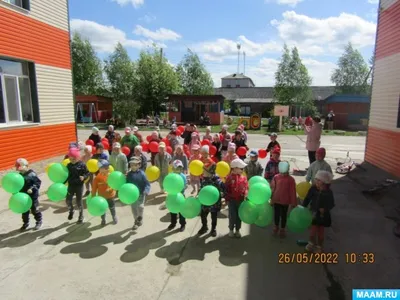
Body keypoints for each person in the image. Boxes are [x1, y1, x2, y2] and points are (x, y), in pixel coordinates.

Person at [302, 170, 335, 253]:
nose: (316, 181)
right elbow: (307, 198)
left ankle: (319, 246)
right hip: (314, 212)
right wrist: (303, 207)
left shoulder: (328, 192)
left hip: (323, 215)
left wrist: (325, 209)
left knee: (321, 231)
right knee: (313, 230)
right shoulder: (313, 189)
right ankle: (311, 244)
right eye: (316, 179)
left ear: (324, 182)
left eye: (319, 180)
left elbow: (331, 203)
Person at [270, 161, 297, 237]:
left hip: (285, 202)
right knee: (276, 215)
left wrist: (293, 203)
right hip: (276, 200)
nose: (283, 173)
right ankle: (276, 226)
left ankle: (282, 228)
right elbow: (273, 188)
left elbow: (292, 192)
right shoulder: (276, 177)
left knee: (284, 216)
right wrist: (271, 199)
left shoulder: (291, 180)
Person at [198, 160, 224, 237]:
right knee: (203, 215)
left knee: (214, 217)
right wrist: (199, 194)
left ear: (210, 172)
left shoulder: (217, 181)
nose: (202, 172)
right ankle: (204, 226)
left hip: (214, 203)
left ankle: (213, 229)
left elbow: (223, 189)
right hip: (205, 202)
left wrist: (223, 196)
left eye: (204, 171)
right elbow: (201, 189)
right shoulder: (204, 180)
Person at [15, 158, 42, 231]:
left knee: (34, 209)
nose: (20, 170)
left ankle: (39, 221)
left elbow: (38, 183)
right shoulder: (20, 176)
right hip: (23, 196)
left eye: (20, 168)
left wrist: (32, 188)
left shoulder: (32, 174)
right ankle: (25, 223)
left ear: (26, 166)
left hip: (32, 195)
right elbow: (18, 185)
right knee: (24, 210)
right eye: (19, 169)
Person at [65, 147, 90, 224]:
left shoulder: (82, 165)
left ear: (78, 157)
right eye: (71, 159)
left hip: (79, 186)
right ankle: (71, 210)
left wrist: (84, 177)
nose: (72, 160)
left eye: (74, 159)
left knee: (79, 202)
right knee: (68, 200)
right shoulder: (68, 166)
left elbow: (87, 173)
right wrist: (62, 182)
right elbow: (65, 175)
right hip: (71, 185)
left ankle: (81, 216)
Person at [225, 158, 249, 238]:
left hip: (241, 200)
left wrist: (246, 194)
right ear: (235, 168)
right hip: (232, 201)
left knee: (239, 216)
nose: (242, 169)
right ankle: (231, 229)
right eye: (241, 168)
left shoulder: (243, 178)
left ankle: (238, 230)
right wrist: (226, 199)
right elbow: (226, 189)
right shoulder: (229, 178)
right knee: (232, 215)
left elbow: (246, 187)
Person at [127, 157, 151, 230]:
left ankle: (140, 217)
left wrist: (146, 191)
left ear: (139, 165)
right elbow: (127, 184)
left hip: (141, 194)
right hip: (132, 196)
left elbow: (147, 184)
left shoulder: (142, 174)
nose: (133, 166)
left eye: (135, 164)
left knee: (140, 207)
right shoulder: (129, 174)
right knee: (134, 209)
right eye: (131, 165)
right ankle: (136, 221)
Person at [92, 160, 117, 226]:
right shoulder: (97, 178)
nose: (108, 169)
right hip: (101, 198)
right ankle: (103, 219)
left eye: (108, 167)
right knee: (102, 209)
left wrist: (111, 189)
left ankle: (114, 217)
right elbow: (94, 189)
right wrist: (93, 197)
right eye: (105, 168)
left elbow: (114, 185)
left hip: (110, 196)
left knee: (112, 207)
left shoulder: (111, 176)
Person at [167, 160, 187, 232]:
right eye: (177, 168)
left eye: (180, 168)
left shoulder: (183, 176)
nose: (179, 169)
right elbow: (168, 184)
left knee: (182, 211)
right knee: (173, 210)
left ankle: (183, 224)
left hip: (181, 195)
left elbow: (185, 185)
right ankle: (173, 223)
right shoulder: (170, 176)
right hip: (172, 196)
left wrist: (181, 188)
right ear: (172, 168)